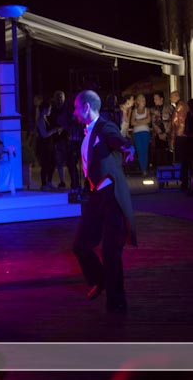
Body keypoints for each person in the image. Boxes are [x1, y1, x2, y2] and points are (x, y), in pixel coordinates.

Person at [72, 90, 137, 314]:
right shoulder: (87, 132)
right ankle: (99, 280)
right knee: (80, 246)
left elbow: (117, 139)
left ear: (86, 107)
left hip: (111, 197)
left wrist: (127, 147)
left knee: (111, 252)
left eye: (76, 108)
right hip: (95, 197)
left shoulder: (104, 127)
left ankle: (117, 303)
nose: (74, 112)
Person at [36, 101, 62, 190]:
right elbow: (44, 134)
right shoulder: (40, 120)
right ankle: (44, 184)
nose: (50, 111)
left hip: (49, 145)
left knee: (52, 163)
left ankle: (49, 182)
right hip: (44, 146)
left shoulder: (45, 119)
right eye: (49, 109)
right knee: (45, 164)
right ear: (44, 109)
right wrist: (54, 130)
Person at [49, 90, 71, 189]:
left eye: (61, 97)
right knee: (59, 161)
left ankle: (72, 181)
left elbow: (70, 123)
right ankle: (62, 181)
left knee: (69, 161)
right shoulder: (52, 110)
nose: (59, 100)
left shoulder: (67, 110)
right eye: (57, 98)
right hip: (56, 139)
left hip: (66, 138)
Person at [151, 92, 174, 167]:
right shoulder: (153, 110)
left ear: (161, 99)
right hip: (157, 134)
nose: (155, 101)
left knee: (167, 152)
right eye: (154, 99)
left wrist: (166, 133)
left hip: (168, 133)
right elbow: (153, 122)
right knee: (159, 152)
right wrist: (159, 133)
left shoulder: (170, 108)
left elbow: (172, 121)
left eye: (156, 99)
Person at [130, 94, 151, 176]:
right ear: (138, 101)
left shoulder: (147, 110)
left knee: (145, 150)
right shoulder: (134, 111)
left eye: (144, 100)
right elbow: (132, 123)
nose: (143, 101)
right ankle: (143, 169)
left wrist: (138, 121)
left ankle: (145, 168)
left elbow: (148, 120)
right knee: (139, 150)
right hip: (137, 133)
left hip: (145, 132)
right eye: (142, 100)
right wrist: (143, 121)